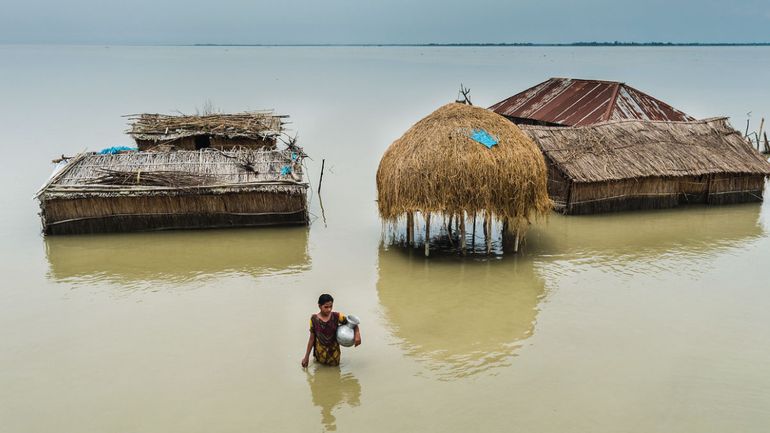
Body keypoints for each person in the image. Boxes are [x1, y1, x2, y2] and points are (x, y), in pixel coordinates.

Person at [302, 294, 361, 367]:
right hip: (320, 354)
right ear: (319, 306)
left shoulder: (337, 316)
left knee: (335, 373)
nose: (329, 309)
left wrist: (357, 334)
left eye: (331, 306)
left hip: (334, 355)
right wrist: (306, 357)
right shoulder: (314, 319)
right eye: (326, 307)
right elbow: (311, 339)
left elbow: (353, 323)